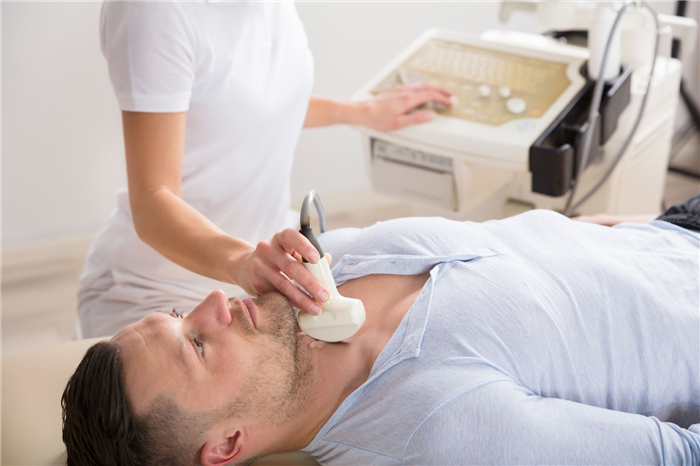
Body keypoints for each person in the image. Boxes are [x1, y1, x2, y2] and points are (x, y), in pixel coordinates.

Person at [62, 197, 700, 465]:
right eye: (196, 346)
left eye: (179, 318)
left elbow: (541, 236)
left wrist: (659, 225)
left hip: (672, 228)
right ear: (227, 445)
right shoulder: (435, 429)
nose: (209, 303)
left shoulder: (315, 266)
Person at [78, 0, 453, 337]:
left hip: (260, 272)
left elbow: (255, 102)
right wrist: (242, 262)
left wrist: (358, 112)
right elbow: (152, 202)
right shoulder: (154, 10)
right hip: (158, 285)